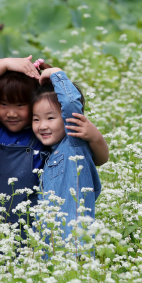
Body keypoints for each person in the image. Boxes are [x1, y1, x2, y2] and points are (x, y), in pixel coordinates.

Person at [0, 57, 108, 245]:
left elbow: (97, 159)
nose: (11, 113)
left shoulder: (44, 137)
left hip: (28, 237)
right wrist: (2, 65)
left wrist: (95, 137)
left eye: (21, 105)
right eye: (3, 104)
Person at [32, 66, 101, 243]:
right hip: (50, 248)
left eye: (50, 118)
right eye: (36, 119)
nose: (42, 125)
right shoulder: (47, 154)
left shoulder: (73, 142)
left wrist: (56, 74)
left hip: (74, 246)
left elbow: (71, 104)